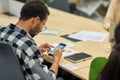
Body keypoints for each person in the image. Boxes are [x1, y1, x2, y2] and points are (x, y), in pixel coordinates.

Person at [0, 0, 64, 80]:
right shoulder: (27, 46)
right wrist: (56, 60)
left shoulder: (1, 30)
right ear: (36, 20)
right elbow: (48, 79)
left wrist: (36, 52)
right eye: (43, 25)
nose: (41, 30)